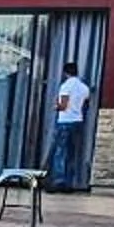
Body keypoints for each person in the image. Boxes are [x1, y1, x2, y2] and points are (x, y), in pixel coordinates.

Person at [48, 60, 92, 190]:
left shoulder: (65, 86)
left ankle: (58, 180)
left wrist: (56, 106)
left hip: (65, 121)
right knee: (72, 153)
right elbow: (86, 103)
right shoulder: (84, 87)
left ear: (65, 72)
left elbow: (63, 106)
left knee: (60, 152)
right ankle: (69, 182)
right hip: (78, 121)